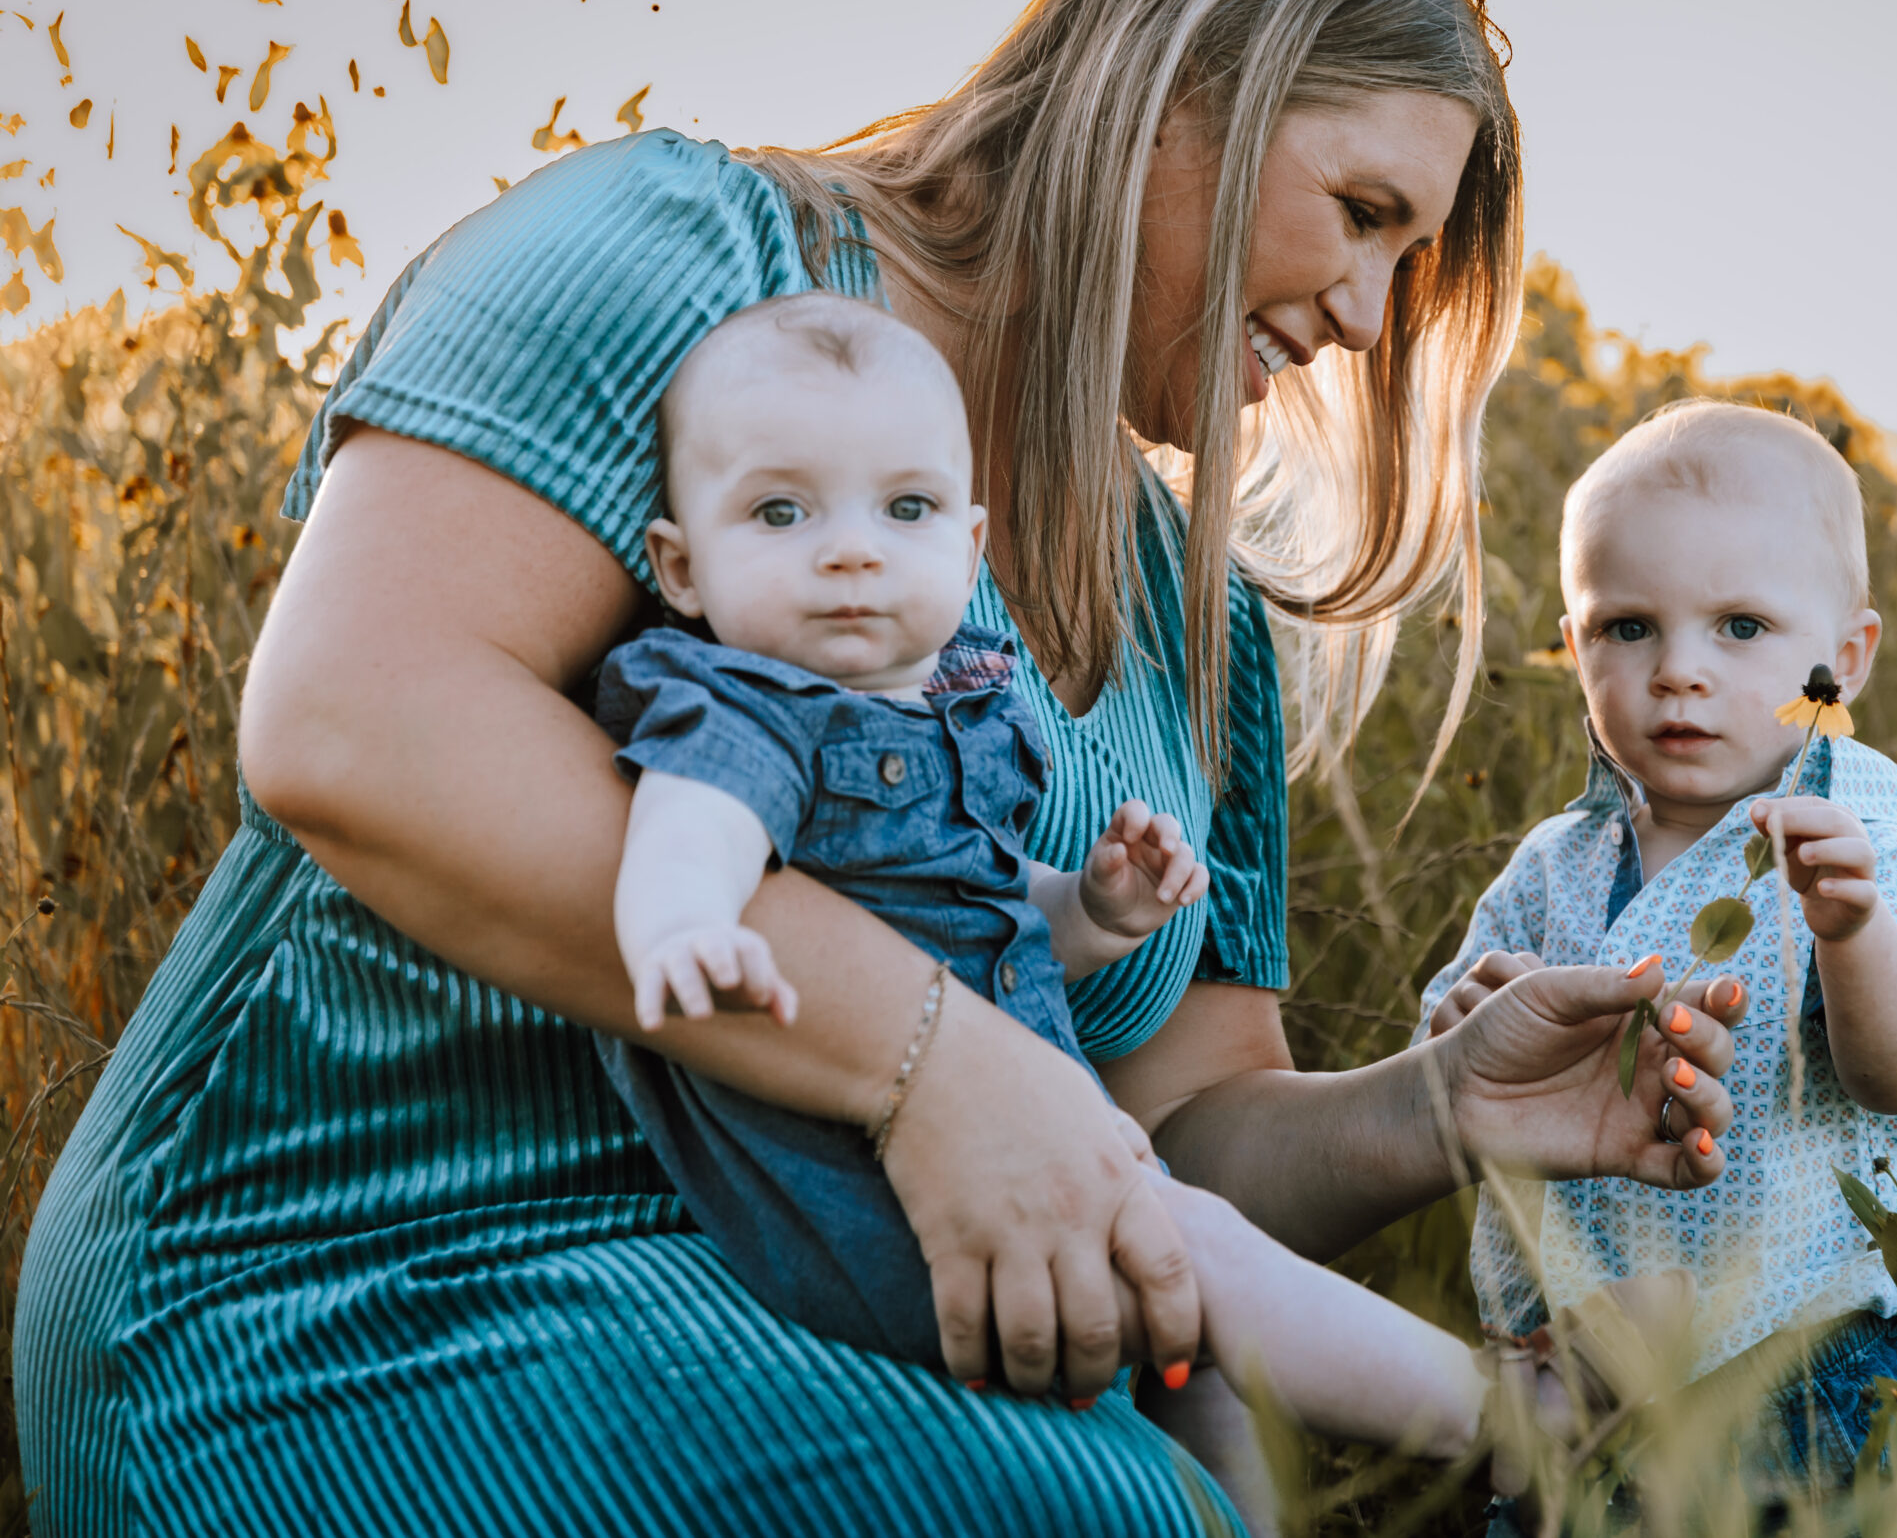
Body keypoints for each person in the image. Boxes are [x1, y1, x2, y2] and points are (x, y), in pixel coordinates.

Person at [16, 0, 1749, 1538]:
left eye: (1412, 268)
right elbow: (359, 727)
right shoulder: (684, 260)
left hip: (804, 1305)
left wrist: (1442, 1105)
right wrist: (928, 1063)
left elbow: (1151, 1143)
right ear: (1175, 81)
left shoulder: (1193, 607)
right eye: (1362, 214)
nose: (1370, 319)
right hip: (351, 1276)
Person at [598, 288, 1642, 1471]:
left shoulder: (967, 707)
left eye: (906, 509)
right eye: (780, 513)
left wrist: (1091, 911)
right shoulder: (741, 709)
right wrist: (682, 922)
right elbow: (692, 827)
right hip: (875, 1205)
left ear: (968, 545)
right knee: (1206, 1258)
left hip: (1032, 1165)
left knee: (1200, 1383)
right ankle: (1503, 1416)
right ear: (681, 568)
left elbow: (995, 921)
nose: (851, 548)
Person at [1419, 400, 1897, 1490]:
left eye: (1739, 627)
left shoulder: (1864, 854)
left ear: (1844, 659)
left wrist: (1853, 934)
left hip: (1793, 1369)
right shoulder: (1555, 862)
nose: (1677, 670)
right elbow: (1448, 1061)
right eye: (1627, 627)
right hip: (1568, 1369)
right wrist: (1463, 1019)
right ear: (1572, 644)